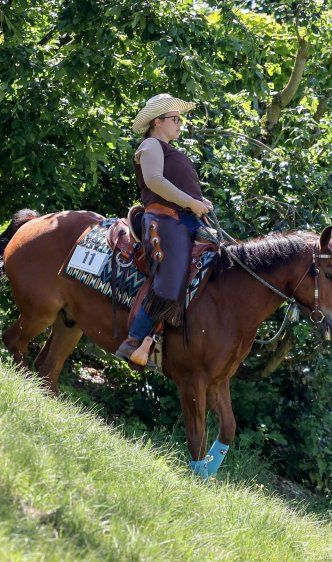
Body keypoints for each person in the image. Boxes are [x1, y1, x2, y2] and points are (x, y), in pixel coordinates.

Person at [117, 94, 214, 367]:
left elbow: (180, 186)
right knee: (170, 280)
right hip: (165, 221)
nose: (180, 124)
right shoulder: (150, 145)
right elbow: (155, 182)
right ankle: (134, 341)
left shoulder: (172, 150)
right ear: (157, 122)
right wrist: (191, 202)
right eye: (175, 119)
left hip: (187, 220)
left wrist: (199, 201)